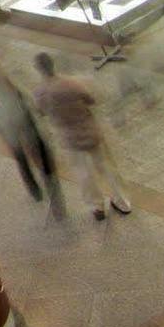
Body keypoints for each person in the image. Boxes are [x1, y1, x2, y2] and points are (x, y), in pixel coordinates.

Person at [32, 52, 131, 220]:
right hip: (90, 132)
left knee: (84, 174)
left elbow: (41, 112)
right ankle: (122, 202)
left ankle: (97, 207)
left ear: (39, 69)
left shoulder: (40, 92)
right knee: (107, 168)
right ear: (52, 65)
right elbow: (91, 100)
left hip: (69, 138)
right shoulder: (72, 83)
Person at [0, 49, 63, 219]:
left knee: (43, 159)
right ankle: (35, 189)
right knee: (23, 160)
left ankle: (53, 195)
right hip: (16, 133)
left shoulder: (11, 82)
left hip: (29, 127)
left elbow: (28, 100)